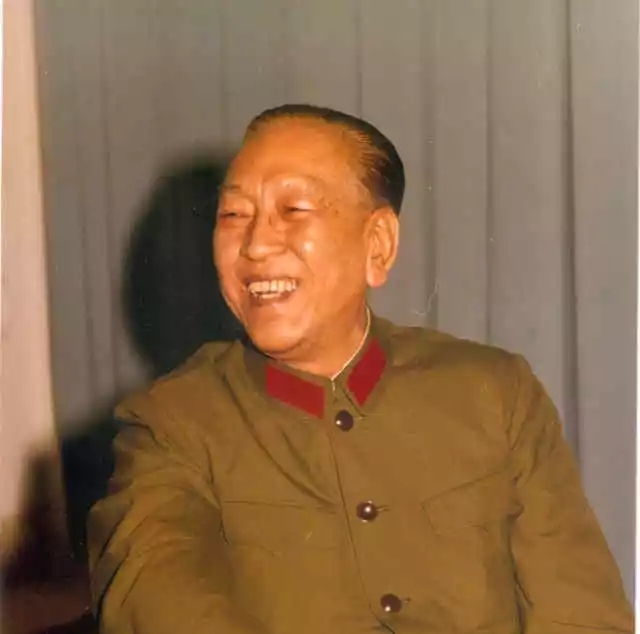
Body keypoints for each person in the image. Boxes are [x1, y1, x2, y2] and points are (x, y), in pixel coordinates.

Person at [87, 104, 633, 634]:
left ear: (378, 245)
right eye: (234, 215)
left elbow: (583, 614)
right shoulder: (171, 423)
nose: (255, 244)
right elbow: (156, 595)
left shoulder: (495, 394)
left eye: (293, 210)